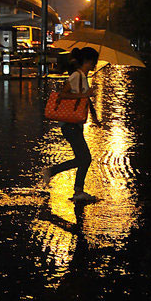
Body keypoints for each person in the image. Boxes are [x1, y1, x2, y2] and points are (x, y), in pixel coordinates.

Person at [43, 47, 101, 202]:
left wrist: (95, 118)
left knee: (82, 158)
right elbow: (62, 94)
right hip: (69, 125)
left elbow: (85, 101)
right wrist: (84, 94)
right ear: (88, 61)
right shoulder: (77, 75)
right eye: (93, 62)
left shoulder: (83, 77)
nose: (94, 65)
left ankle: (54, 173)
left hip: (75, 124)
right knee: (85, 158)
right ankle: (76, 190)